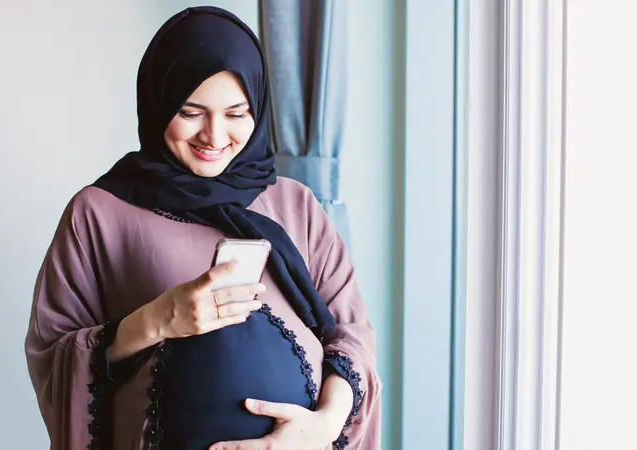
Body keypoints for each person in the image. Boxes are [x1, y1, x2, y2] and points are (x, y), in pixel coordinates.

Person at [24, 6, 381, 450]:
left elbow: (352, 335)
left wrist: (324, 425)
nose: (215, 136)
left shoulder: (297, 204)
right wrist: (156, 320)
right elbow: (53, 357)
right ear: (158, 103)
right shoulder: (97, 214)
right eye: (191, 112)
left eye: (237, 113)